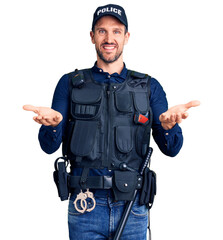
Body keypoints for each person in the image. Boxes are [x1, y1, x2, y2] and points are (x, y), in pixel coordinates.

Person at [23, 4, 200, 240]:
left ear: (126, 37)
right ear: (92, 36)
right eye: (102, 31)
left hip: (133, 207)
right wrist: (53, 125)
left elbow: (172, 149)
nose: (109, 38)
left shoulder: (149, 86)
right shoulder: (70, 83)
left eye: (116, 31)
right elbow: (48, 147)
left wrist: (169, 128)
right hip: (85, 206)